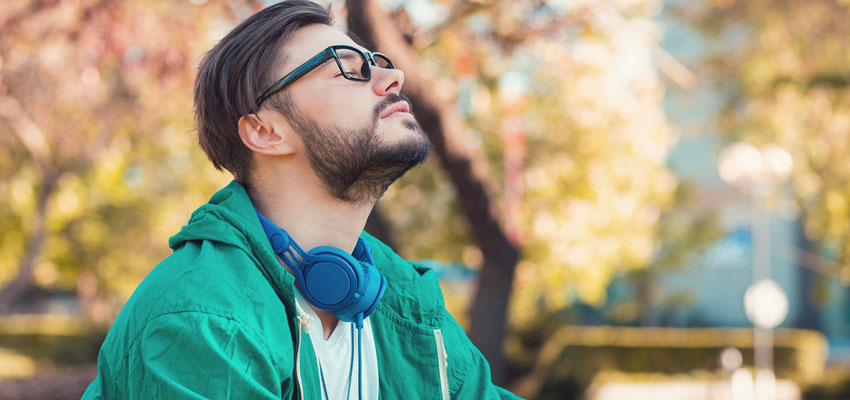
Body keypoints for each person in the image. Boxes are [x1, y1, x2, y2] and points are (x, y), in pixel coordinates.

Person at [82, 1, 523, 399]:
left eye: (379, 63)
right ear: (265, 131)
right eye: (347, 68)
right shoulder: (202, 318)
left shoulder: (406, 303)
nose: (394, 77)